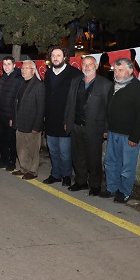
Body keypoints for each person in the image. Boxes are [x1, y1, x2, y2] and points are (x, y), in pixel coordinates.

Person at [100, 58, 140, 203]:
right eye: (115, 70)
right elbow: (108, 110)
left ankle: (124, 192)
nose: (116, 73)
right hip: (112, 132)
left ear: (130, 71)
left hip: (129, 136)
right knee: (110, 162)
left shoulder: (139, 88)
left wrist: (135, 136)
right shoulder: (113, 86)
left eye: (120, 70)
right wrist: (106, 128)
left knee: (127, 167)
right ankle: (111, 188)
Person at [64, 56, 113, 195]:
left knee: (94, 158)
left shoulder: (105, 84)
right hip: (76, 125)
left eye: (90, 64)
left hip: (94, 128)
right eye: (84, 64)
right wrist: (66, 122)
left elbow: (109, 109)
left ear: (96, 66)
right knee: (78, 156)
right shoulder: (75, 81)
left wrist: (106, 128)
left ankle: (95, 185)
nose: (87, 67)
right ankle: (80, 182)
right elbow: (69, 102)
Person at [43, 46, 82, 186]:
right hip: (50, 119)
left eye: (58, 55)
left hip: (66, 119)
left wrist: (72, 119)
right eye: (53, 55)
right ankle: (55, 174)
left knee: (65, 152)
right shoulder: (48, 73)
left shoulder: (75, 73)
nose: (55, 58)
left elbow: (78, 99)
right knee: (53, 150)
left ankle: (66, 175)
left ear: (65, 57)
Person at [11, 61, 45, 180]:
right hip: (20, 122)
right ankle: (23, 168)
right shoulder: (22, 82)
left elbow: (41, 108)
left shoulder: (39, 85)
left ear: (33, 71)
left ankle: (32, 171)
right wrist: (14, 119)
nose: (23, 70)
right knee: (21, 147)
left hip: (32, 124)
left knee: (32, 149)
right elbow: (17, 103)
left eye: (26, 68)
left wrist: (37, 126)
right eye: (22, 68)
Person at [0, 56, 23, 171]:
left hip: (11, 116)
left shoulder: (19, 79)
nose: (6, 66)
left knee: (11, 140)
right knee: (2, 139)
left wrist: (13, 117)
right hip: (1, 114)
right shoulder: (3, 78)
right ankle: (3, 160)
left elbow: (18, 100)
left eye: (9, 64)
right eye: (4, 64)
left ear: (14, 65)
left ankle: (12, 161)